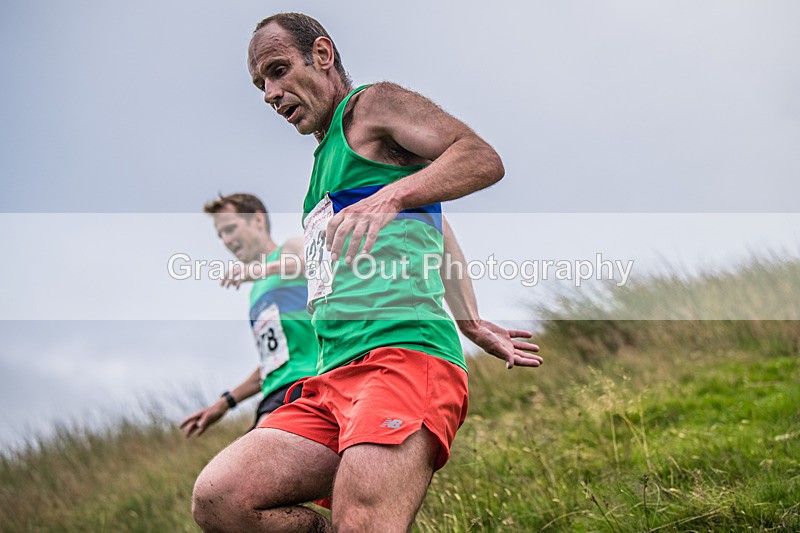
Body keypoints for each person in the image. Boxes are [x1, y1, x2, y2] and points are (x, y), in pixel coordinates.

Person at [191, 13, 542, 532]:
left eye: (280, 69)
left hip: (402, 361)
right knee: (221, 498)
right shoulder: (321, 171)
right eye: (261, 83)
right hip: (331, 382)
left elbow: (480, 157)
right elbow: (437, 230)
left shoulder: (370, 108)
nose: (270, 92)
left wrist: (393, 194)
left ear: (324, 55)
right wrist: (470, 320)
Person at [180, 193, 318, 437]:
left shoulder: (289, 248)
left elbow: (318, 264)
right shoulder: (256, 291)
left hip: (307, 385)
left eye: (231, 228)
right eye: (221, 235)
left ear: (258, 219)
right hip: (275, 393)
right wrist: (224, 404)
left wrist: (264, 269)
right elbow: (274, 361)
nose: (226, 239)